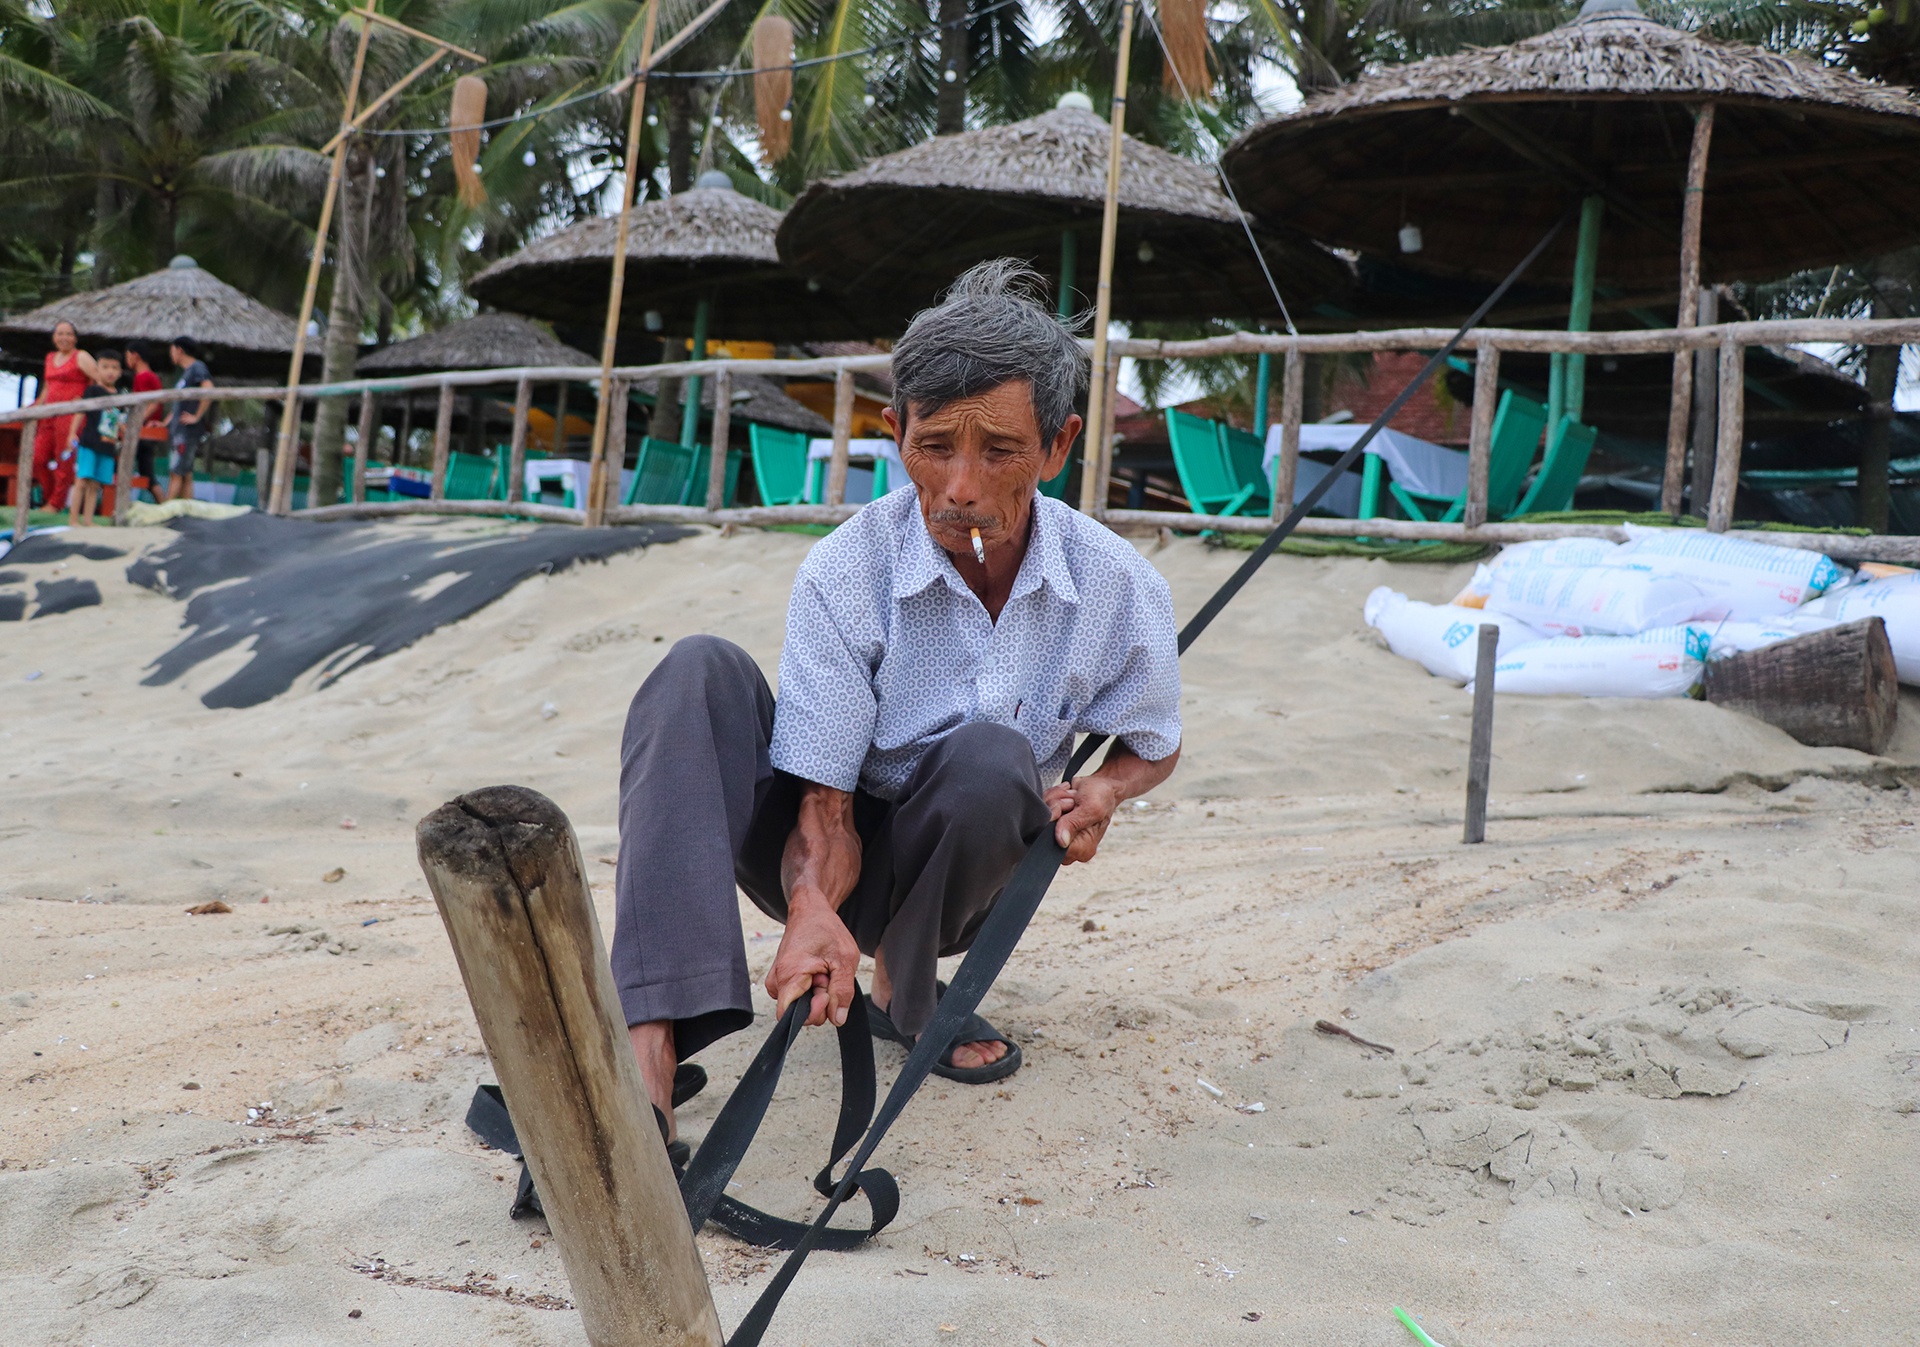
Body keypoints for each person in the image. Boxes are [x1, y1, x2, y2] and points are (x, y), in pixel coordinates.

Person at [614, 261, 1182, 1146]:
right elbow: (824, 802)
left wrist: (1105, 790)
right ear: (895, 431)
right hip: (817, 847)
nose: (961, 486)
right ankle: (647, 1051)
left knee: (996, 758)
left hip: (958, 866)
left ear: (1060, 446)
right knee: (697, 671)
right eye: (936, 446)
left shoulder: (1115, 583)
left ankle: (905, 992)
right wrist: (810, 908)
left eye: (1000, 451)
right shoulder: (848, 569)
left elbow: (1156, 735)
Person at [30, 320, 100, 512]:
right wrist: (35, 408)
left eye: (68, 334)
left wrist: (84, 399)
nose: (64, 338)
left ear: (75, 338)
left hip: (70, 416)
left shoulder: (81, 356)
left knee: (64, 457)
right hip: (48, 414)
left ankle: (56, 503)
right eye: (60, 333)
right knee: (37, 457)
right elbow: (47, 387)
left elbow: (98, 379)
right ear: (54, 337)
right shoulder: (50, 357)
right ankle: (50, 496)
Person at [66, 349, 125, 527]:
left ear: (120, 372)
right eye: (105, 367)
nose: (110, 371)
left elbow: (120, 419)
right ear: (97, 370)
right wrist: (71, 433)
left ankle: (88, 520)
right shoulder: (92, 390)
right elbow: (80, 412)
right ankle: (73, 519)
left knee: (95, 485)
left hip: (107, 445)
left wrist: (126, 432)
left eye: (114, 367)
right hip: (89, 442)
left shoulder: (121, 396)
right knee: (82, 480)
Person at [167, 336, 213, 502]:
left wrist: (197, 416)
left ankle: (166, 510)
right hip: (179, 429)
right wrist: (165, 423)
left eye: (172, 350)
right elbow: (179, 406)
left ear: (179, 350)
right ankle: (187, 510)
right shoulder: (185, 374)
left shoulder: (197, 367)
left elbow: (208, 388)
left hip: (186, 432)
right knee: (186, 473)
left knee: (176, 471)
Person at [125, 344, 170, 502]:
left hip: (144, 431)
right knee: (147, 473)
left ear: (135, 355)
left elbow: (154, 403)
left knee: (135, 470)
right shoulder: (151, 376)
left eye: (128, 356)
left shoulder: (142, 377)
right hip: (149, 431)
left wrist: (137, 421)